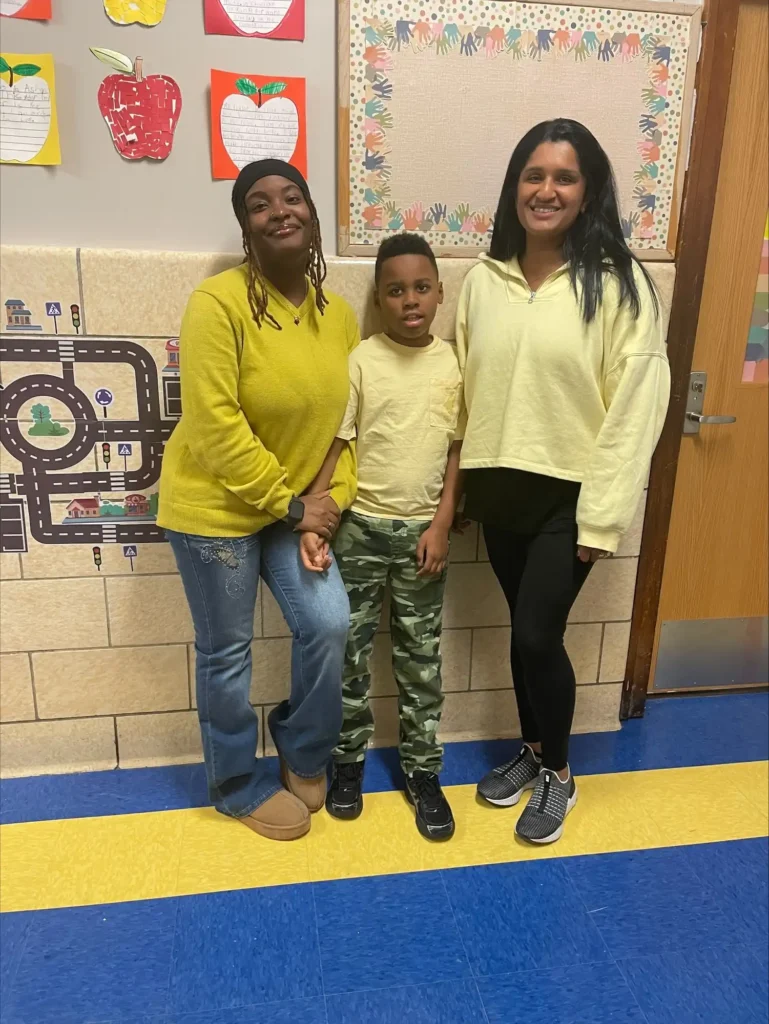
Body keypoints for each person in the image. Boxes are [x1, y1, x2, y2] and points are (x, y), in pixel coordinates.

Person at [456, 119, 670, 844]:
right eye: (532, 175)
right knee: (523, 637)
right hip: (498, 485)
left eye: (564, 177)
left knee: (536, 633)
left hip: (569, 497)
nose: (545, 190)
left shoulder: (617, 283)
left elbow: (637, 401)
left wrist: (602, 517)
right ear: (514, 186)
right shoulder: (483, 281)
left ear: (587, 192)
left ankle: (561, 775)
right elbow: (463, 388)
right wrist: (453, 493)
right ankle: (533, 748)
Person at [157, 159, 360, 842]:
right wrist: (291, 505)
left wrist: (325, 505)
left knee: (328, 624)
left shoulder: (339, 317)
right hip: (216, 508)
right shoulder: (216, 303)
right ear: (245, 226)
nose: (279, 210)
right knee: (227, 652)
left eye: (292, 196)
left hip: (291, 510)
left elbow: (349, 426)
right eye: (259, 203)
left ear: (311, 212)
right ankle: (236, 784)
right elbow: (214, 424)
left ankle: (300, 746)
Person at [302, 233, 464, 841]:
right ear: (379, 298)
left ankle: (423, 772)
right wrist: (317, 515)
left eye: (421, 287)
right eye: (395, 290)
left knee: (420, 662)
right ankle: (348, 763)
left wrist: (443, 524)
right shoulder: (363, 358)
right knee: (350, 655)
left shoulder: (453, 363)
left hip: (424, 536)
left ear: (439, 293)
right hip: (361, 531)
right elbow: (340, 441)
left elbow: (457, 454)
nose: (410, 300)